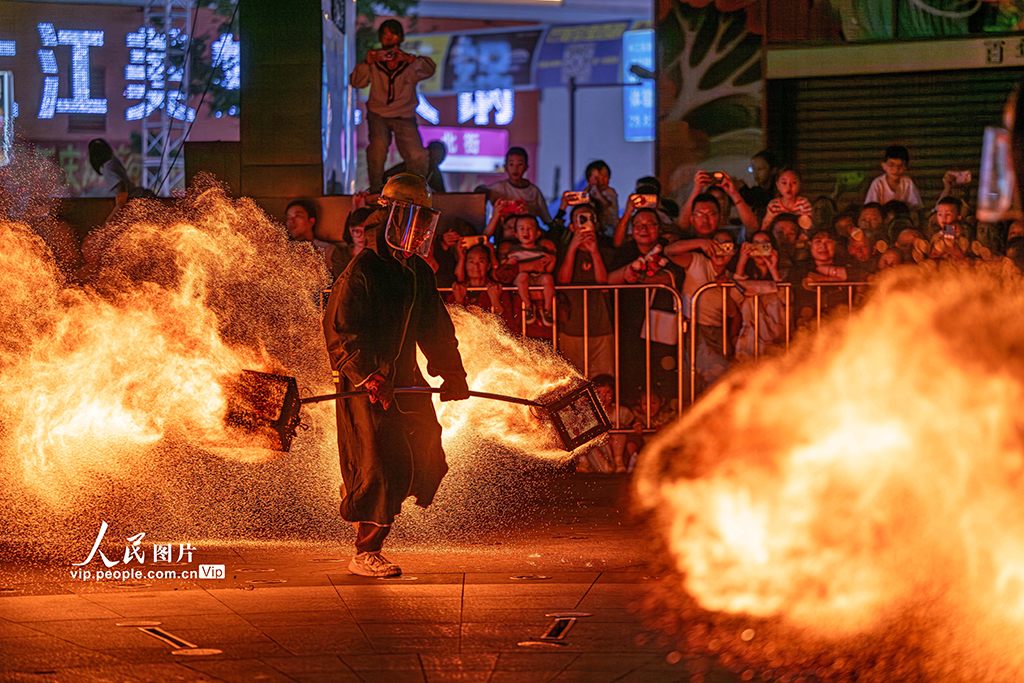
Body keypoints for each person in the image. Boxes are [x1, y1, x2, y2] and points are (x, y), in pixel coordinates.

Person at [323, 173, 470, 577]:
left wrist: (452, 373)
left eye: (426, 222)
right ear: (393, 219)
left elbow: (436, 329)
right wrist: (369, 375)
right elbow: (340, 331)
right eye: (415, 220)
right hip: (365, 387)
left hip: (404, 381)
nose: (422, 231)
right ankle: (365, 551)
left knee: (424, 450)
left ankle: (360, 495)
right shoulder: (363, 270)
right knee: (380, 466)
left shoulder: (416, 271)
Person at [351, 20, 435, 194]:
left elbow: (429, 70)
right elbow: (357, 82)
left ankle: (418, 190)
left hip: (404, 115)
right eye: (385, 35)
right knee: (377, 147)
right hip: (378, 115)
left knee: (417, 154)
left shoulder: (409, 64)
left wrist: (409, 59)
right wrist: (367, 63)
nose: (389, 38)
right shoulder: (374, 63)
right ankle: (375, 188)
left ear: (401, 37)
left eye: (393, 34)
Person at [555, 203, 614, 378]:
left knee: (603, 379)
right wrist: (573, 248)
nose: (586, 223)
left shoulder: (604, 250)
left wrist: (594, 252)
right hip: (572, 327)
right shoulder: (564, 250)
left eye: (589, 219)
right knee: (572, 381)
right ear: (572, 226)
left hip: (601, 325)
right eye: (581, 219)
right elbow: (563, 280)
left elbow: (602, 280)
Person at [486, 147, 552, 225]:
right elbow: (480, 192)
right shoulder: (497, 188)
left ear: (526, 167)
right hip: (504, 234)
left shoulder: (534, 192)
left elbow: (547, 220)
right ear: (505, 167)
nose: (515, 169)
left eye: (520, 164)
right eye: (511, 164)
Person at [864, 145, 923, 210]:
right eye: (891, 165)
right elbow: (871, 208)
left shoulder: (907, 182)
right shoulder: (878, 183)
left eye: (900, 166)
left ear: (905, 166)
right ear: (883, 166)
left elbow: (916, 206)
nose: (896, 169)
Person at [583, 160, 619, 232]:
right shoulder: (588, 192)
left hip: (609, 227)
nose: (601, 181)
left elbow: (606, 204)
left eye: (605, 177)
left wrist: (597, 191)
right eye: (597, 178)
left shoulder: (610, 192)